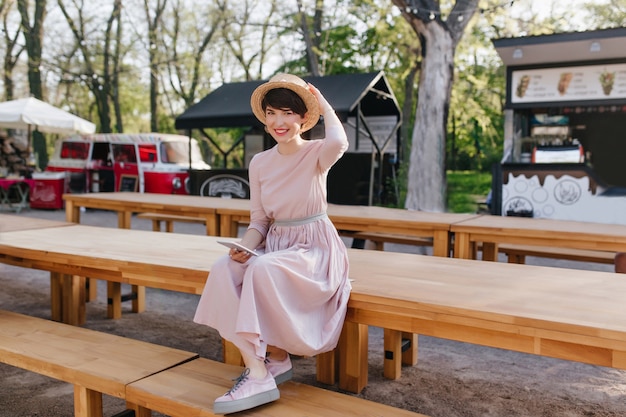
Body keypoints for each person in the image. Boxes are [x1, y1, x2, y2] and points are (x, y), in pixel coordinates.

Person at [193, 73, 351, 415]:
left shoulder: (316, 153)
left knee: (262, 269)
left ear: (303, 118)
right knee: (225, 268)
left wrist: (320, 102)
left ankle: (270, 363)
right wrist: (244, 246)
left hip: (314, 249)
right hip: (275, 245)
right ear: (264, 117)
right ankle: (261, 366)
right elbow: (260, 221)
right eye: (272, 113)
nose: (279, 121)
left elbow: (339, 141)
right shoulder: (259, 162)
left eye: (288, 113)